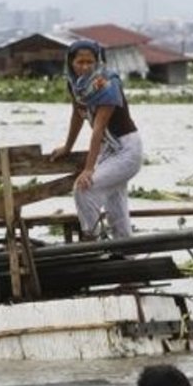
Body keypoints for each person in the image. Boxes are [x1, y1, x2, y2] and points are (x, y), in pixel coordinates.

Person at [49, 39, 142, 240]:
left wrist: (89, 169)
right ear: (70, 63)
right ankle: (125, 250)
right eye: (79, 62)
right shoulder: (75, 85)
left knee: (84, 189)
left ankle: (92, 241)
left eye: (89, 62)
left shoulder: (107, 85)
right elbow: (78, 114)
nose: (84, 67)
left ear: (98, 62)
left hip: (126, 149)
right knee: (115, 203)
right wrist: (67, 147)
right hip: (109, 148)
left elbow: (98, 129)